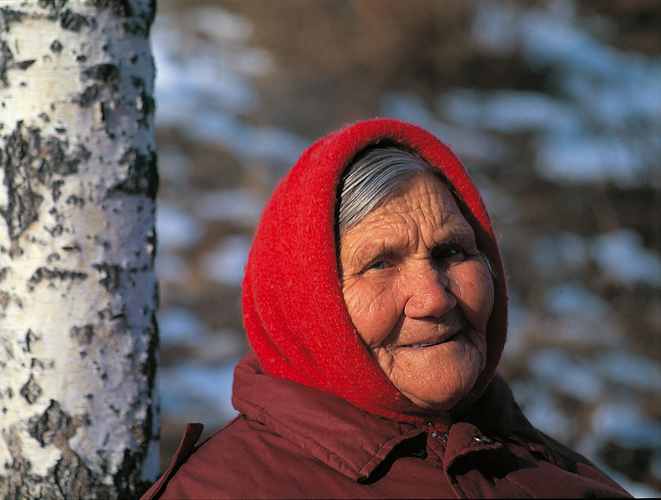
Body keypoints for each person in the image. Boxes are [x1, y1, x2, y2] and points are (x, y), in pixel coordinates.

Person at [143, 119, 631, 498]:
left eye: (452, 252)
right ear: (308, 306)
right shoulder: (227, 491)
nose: (435, 298)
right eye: (379, 264)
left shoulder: (529, 459)